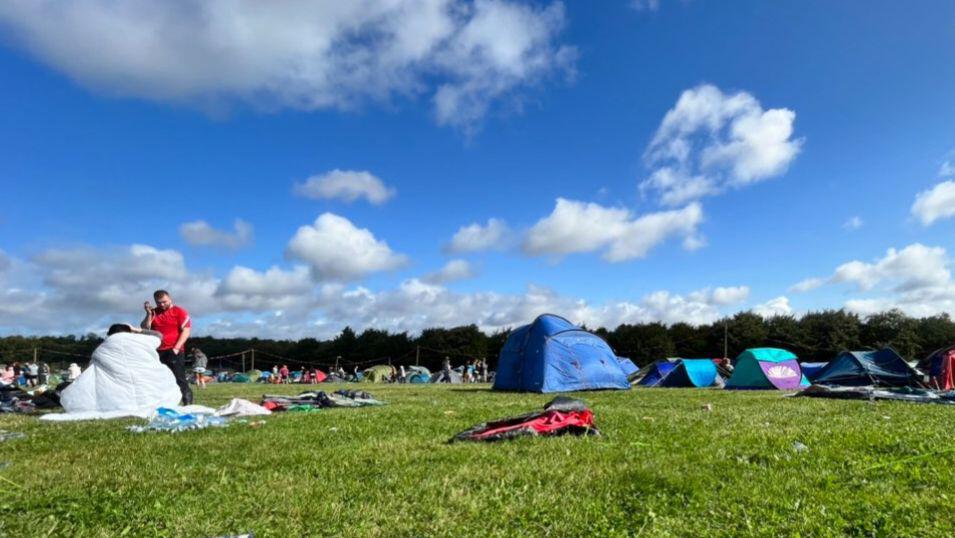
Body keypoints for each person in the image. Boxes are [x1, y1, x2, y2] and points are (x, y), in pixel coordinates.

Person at [141, 289, 193, 405]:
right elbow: (145, 328)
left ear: (169, 298)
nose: (162, 304)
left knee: (180, 379)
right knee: (158, 380)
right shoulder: (154, 312)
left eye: (164, 302)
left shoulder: (179, 311)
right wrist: (148, 313)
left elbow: (186, 330)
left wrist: (176, 348)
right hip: (157, 351)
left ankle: (188, 403)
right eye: (159, 302)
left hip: (174, 350)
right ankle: (161, 404)